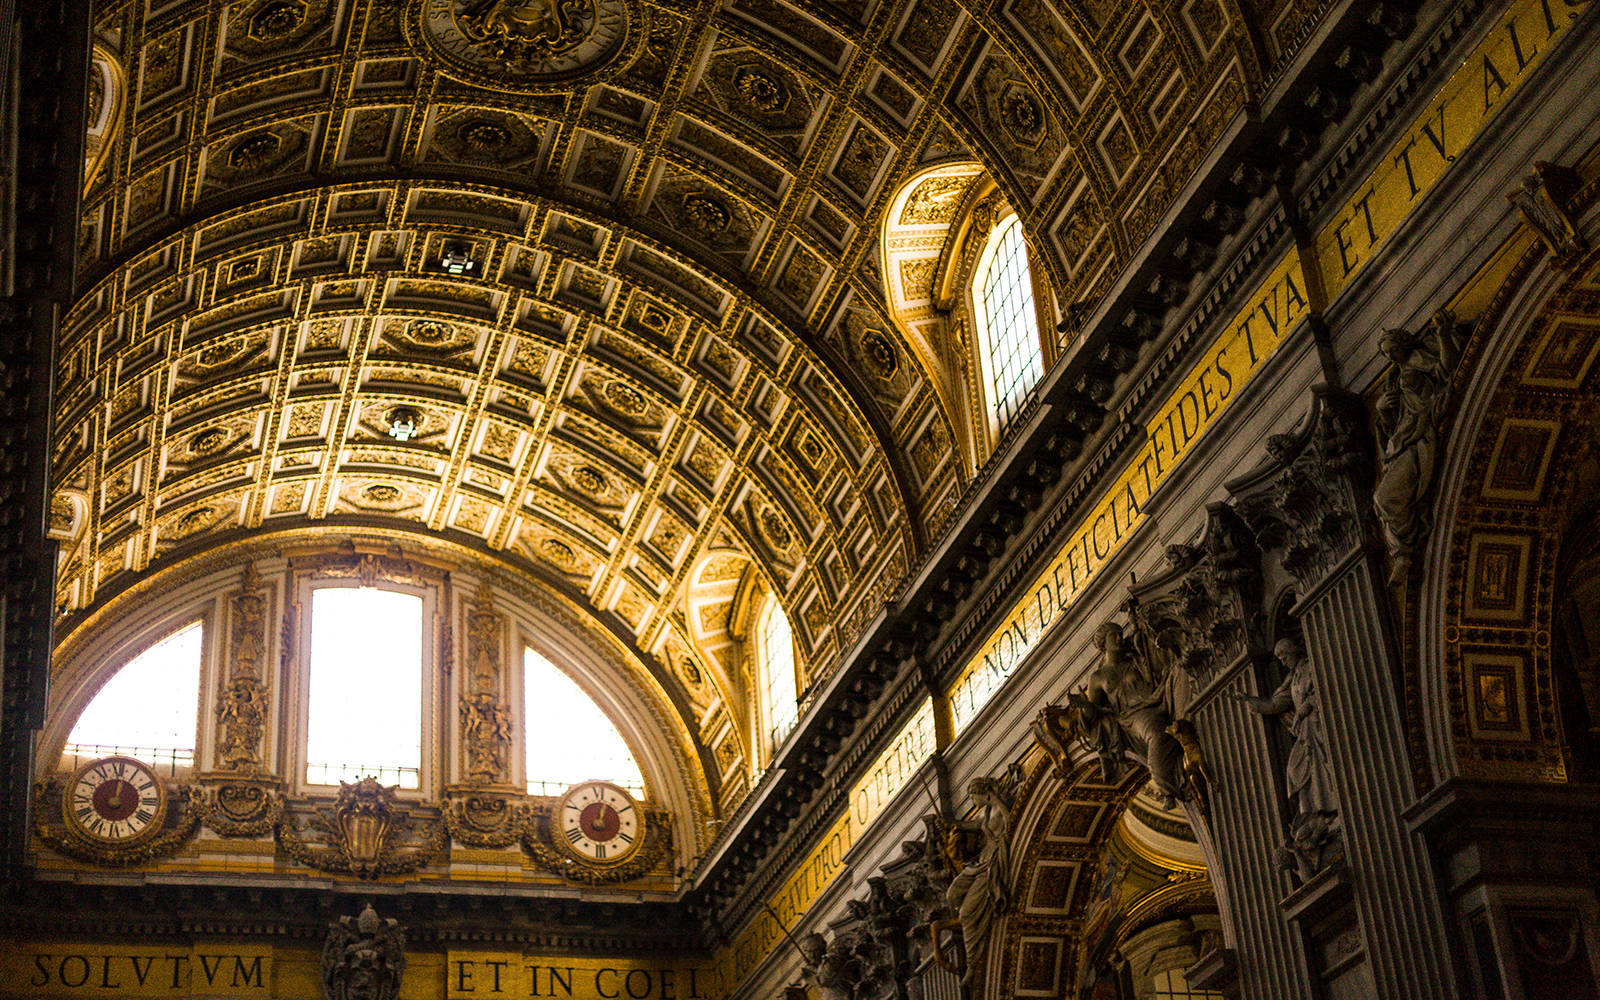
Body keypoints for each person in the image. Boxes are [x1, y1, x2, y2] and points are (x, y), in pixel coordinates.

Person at [1078, 621, 1186, 807]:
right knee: (1156, 735)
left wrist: (1141, 639)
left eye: (1120, 634)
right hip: (1132, 717)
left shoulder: (1135, 660)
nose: (1119, 638)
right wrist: (1083, 707)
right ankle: (1167, 785)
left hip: (1155, 701)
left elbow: (1157, 667)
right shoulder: (1097, 678)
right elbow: (1093, 716)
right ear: (1103, 643)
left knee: (1180, 673)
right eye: (1114, 635)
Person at [943, 778, 1012, 984]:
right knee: (951, 895)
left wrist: (997, 800)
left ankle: (972, 964)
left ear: (983, 793)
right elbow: (973, 825)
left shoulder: (998, 808)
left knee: (966, 913)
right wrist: (951, 824)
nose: (971, 800)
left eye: (973, 796)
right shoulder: (985, 813)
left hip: (989, 866)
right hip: (978, 866)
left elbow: (1010, 821)